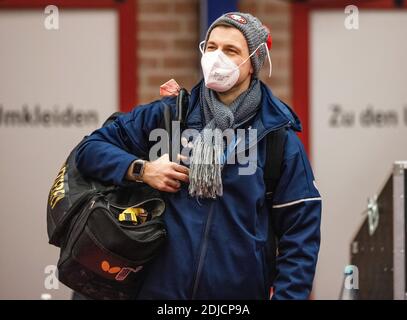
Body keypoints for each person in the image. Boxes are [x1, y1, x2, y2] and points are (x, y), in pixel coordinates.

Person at [76, 12, 322, 300]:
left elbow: (300, 236)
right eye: (212, 47)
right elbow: (89, 150)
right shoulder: (168, 116)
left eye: (231, 50)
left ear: (253, 62)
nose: (217, 57)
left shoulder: (277, 137)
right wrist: (143, 170)